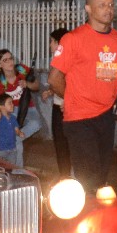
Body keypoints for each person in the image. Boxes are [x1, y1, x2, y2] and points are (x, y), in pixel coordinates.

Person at [48, 0, 117, 193]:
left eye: (111, 5)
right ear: (88, 9)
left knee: (101, 177)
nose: (108, 9)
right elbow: (54, 78)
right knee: (89, 178)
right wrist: (71, 97)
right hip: (80, 118)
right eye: (102, 5)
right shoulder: (73, 39)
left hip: (105, 116)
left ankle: (96, 219)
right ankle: (83, 219)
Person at [41, 27, 71, 178]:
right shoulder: (57, 60)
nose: (50, 45)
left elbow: (72, 83)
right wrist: (51, 91)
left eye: (52, 41)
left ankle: (68, 176)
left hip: (66, 107)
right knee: (60, 143)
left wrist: (68, 99)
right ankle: (64, 176)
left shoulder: (69, 60)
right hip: (58, 105)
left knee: (65, 144)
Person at [0, 49, 42, 139]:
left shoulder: (21, 69)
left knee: (37, 123)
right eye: (5, 60)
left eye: (11, 58)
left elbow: (37, 85)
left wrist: (27, 84)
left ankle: (15, 140)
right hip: (11, 109)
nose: (10, 62)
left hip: (28, 106)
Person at [0, 93, 23, 167]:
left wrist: (19, 133)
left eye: (12, 102)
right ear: (1, 106)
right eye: (9, 103)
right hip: (1, 149)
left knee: (10, 167)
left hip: (12, 148)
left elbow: (16, 129)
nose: (12, 105)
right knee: (0, 167)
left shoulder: (13, 118)